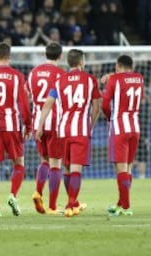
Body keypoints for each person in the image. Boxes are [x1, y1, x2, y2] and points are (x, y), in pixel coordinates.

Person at [36, 49, 100, 217]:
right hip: (80, 129)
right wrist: (90, 125)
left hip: (63, 130)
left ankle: (73, 203)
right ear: (81, 62)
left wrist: (40, 125)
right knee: (76, 169)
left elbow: (48, 104)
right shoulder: (90, 80)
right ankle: (71, 204)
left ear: (68, 62)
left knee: (66, 168)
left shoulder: (59, 80)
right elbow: (96, 107)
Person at [0, 42, 32, 217]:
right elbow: (24, 104)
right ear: (9, 57)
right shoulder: (17, 76)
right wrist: (28, 125)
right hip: (12, 125)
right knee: (19, 163)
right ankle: (12, 195)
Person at [102, 55, 144, 216]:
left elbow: (106, 103)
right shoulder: (139, 78)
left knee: (120, 170)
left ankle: (126, 207)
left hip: (119, 127)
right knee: (128, 168)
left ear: (118, 66)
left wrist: (109, 117)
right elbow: (127, 81)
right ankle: (120, 204)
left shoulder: (114, 80)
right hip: (135, 127)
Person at [26, 42, 65, 215]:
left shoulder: (33, 72)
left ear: (45, 54)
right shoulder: (61, 74)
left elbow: (26, 95)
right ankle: (53, 206)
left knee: (44, 160)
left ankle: (38, 192)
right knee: (56, 164)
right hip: (55, 122)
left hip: (37, 123)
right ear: (60, 56)